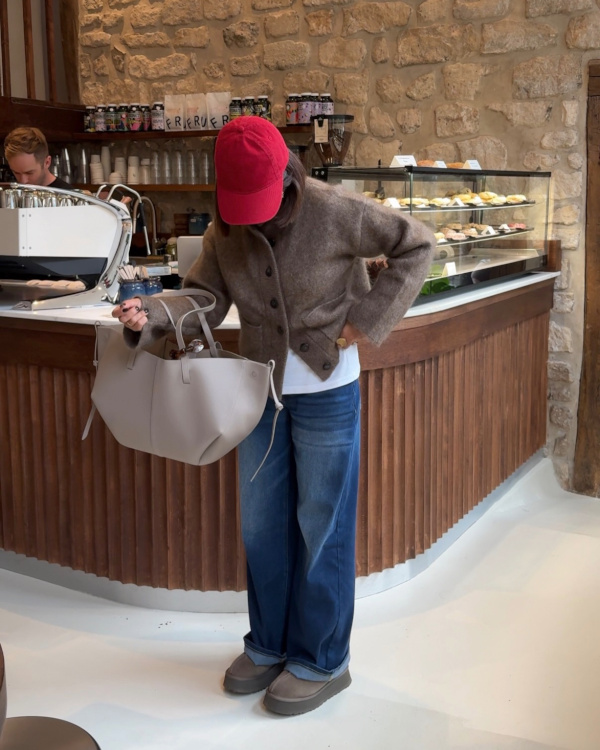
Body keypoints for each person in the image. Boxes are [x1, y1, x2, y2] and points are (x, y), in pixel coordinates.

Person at [112, 117, 435, 715]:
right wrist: (152, 312)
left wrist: (364, 320)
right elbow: (206, 297)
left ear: (287, 177)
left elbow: (417, 244)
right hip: (258, 392)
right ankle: (268, 644)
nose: (251, 219)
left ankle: (322, 658)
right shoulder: (224, 229)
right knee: (261, 524)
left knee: (321, 525)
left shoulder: (336, 211)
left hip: (328, 389)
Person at [3, 126, 71, 189]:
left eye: (29, 173)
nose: (23, 181)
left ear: (47, 162)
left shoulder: (68, 195)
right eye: (16, 173)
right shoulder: (11, 192)